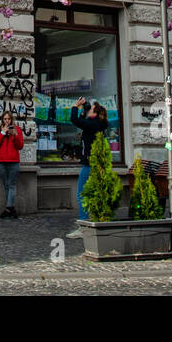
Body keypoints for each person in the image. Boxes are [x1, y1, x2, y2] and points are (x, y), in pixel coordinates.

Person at [66, 97, 109, 239]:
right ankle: (94, 222)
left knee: (82, 194)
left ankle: (84, 225)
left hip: (89, 165)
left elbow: (76, 120)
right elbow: (86, 115)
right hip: (95, 164)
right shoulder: (98, 123)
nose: (87, 111)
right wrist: (86, 105)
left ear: (94, 114)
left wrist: (75, 106)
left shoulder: (92, 124)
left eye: (90, 110)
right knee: (93, 194)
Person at [0, 110, 24, 219]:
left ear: (11, 119)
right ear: (2, 120)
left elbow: (20, 146)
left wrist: (14, 136)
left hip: (13, 161)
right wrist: (2, 133)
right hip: (1, 161)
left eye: (9, 119)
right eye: (5, 119)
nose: (7, 121)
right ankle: (11, 209)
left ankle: (8, 208)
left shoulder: (17, 129)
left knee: (12, 185)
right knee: (6, 185)